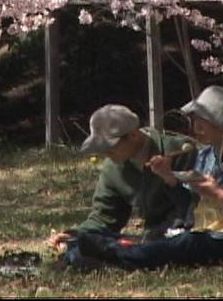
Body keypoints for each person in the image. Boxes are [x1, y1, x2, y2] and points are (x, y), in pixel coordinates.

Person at [76, 86, 223, 270]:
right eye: (195, 119)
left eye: (202, 120)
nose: (196, 127)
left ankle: (114, 256)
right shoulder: (207, 155)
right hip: (211, 232)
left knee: (190, 244)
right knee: (181, 241)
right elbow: (191, 209)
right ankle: (98, 252)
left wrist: (220, 195)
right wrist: (170, 180)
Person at [47, 104, 197, 268]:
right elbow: (104, 217)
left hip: (184, 235)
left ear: (133, 135)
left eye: (109, 147)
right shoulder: (113, 168)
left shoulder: (180, 151)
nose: (105, 154)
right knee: (84, 246)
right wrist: (75, 235)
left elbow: (198, 205)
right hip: (149, 240)